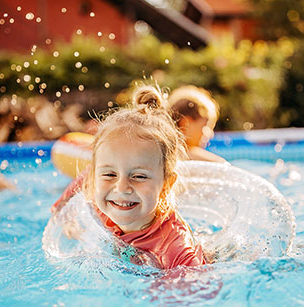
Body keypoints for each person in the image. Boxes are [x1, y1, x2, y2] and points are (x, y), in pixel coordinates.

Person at [76, 86, 207, 269]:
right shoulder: (100, 205)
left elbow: (197, 283)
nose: (121, 187)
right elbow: (80, 182)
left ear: (166, 185)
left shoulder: (176, 252)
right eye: (110, 174)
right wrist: (62, 213)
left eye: (138, 176)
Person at [163, 86, 228, 164]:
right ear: (186, 124)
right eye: (205, 126)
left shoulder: (162, 154)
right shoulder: (186, 157)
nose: (210, 134)